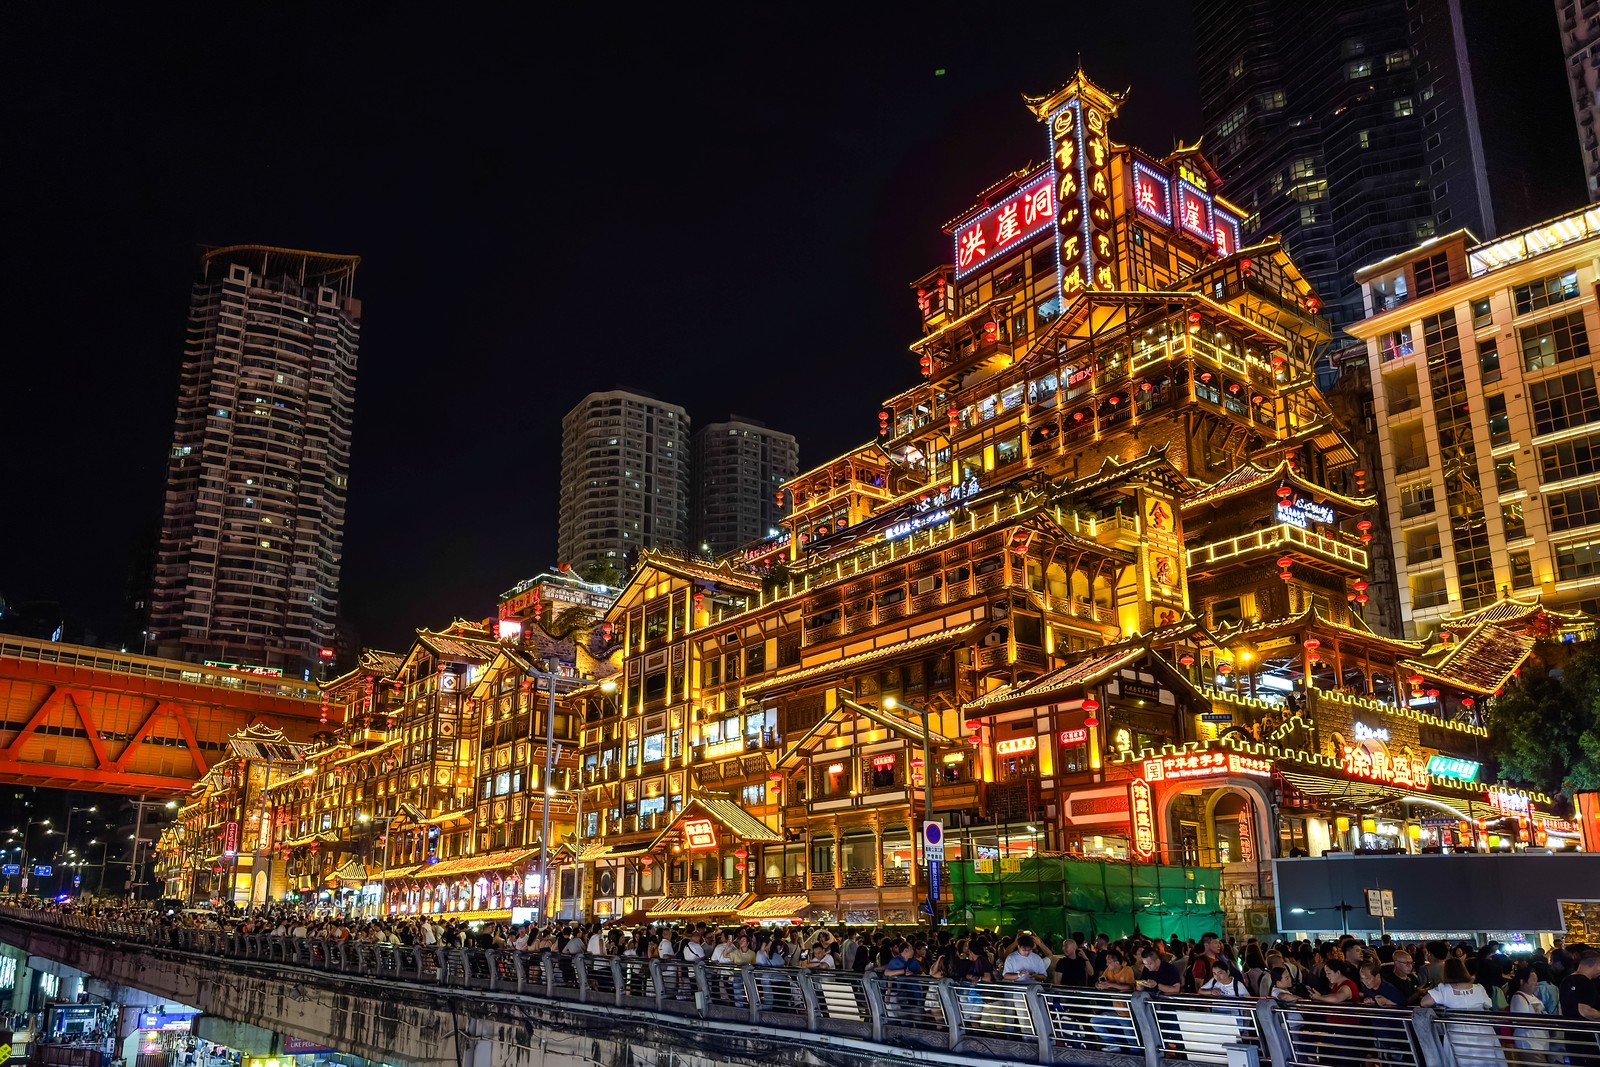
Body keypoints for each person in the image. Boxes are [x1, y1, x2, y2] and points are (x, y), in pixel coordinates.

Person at [1423, 958, 1505, 1067]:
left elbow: (1424, 1002)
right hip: (1483, 1032)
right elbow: (1488, 1005)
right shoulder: (1478, 988)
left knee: (1462, 1061)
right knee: (1487, 1060)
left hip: (1457, 1034)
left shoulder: (1444, 989)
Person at [1508, 962, 1552, 1063]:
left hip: (1539, 1043)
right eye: (1533, 981)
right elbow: (1521, 1021)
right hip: (1529, 1043)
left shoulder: (1532, 996)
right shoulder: (1519, 997)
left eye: (1536, 980)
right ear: (1522, 982)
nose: (1536, 983)